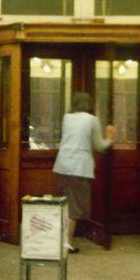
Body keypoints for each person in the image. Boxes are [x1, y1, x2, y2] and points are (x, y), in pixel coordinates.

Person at [52, 92, 114, 253]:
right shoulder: (92, 120)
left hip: (62, 166)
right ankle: (66, 244)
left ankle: (58, 241)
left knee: (64, 204)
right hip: (79, 168)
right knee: (74, 208)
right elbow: (100, 146)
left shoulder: (67, 118)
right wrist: (110, 137)